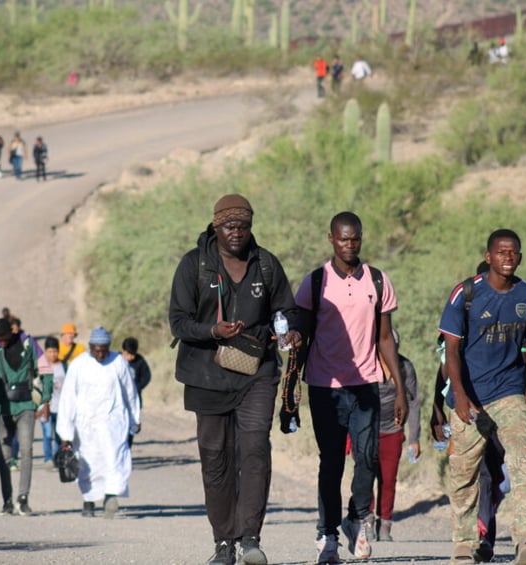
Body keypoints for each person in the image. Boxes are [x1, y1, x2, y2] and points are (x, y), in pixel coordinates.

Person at [169, 194, 300, 565]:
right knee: (216, 459)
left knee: (256, 447)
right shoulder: (194, 265)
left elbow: (286, 309)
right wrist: (213, 329)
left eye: (243, 225)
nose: (237, 233)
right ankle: (223, 542)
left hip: (256, 372)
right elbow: (178, 322)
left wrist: (290, 331)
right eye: (230, 226)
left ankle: (250, 539)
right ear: (216, 226)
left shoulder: (266, 265)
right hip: (205, 374)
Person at [293, 211, 407, 563]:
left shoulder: (377, 280)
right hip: (324, 385)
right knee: (331, 464)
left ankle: (356, 519)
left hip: (366, 384)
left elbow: (385, 338)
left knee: (368, 458)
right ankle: (327, 535)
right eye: (343, 238)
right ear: (331, 239)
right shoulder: (314, 283)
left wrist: (399, 388)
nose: (350, 244)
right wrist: (291, 393)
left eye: (355, 238)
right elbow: (300, 337)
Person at [439, 229, 526, 565]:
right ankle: (463, 543)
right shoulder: (467, 293)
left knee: (521, 459)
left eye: (513, 252)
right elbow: (451, 349)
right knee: (464, 473)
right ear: (488, 256)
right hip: (470, 396)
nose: (508, 257)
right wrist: (459, 396)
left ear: (519, 257)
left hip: (509, 393)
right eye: (501, 252)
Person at [0, 318, 52, 516]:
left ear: (12, 331)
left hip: (25, 405)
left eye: (5, 337)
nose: (2, 341)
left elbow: (45, 369)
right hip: (0, 408)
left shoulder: (28, 342)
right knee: (4, 456)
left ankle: (23, 498)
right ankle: (7, 500)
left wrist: (45, 398)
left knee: (26, 450)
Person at [56, 327, 140, 519]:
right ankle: (89, 500)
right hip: (86, 425)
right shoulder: (79, 365)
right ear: (90, 347)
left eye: (104, 349)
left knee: (114, 459)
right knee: (88, 462)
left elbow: (130, 393)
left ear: (109, 347)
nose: (100, 353)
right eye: (96, 349)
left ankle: (111, 498)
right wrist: (65, 434)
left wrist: (135, 419)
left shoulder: (118, 362)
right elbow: (68, 398)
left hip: (113, 423)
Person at [371, 328, 421, 543]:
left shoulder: (405, 367)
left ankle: (385, 523)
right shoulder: (368, 365)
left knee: (388, 478)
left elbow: (414, 402)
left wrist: (414, 438)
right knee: (365, 475)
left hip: (392, 431)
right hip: (367, 430)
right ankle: (366, 520)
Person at [39, 336, 67, 468]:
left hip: (61, 407)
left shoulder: (64, 366)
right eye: (50, 352)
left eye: (55, 351)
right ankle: (48, 458)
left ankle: (56, 457)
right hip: (45, 407)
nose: (52, 354)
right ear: (45, 352)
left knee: (59, 434)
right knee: (47, 434)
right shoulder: (41, 367)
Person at [121, 337, 151, 447]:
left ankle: (127, 448)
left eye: (134, 354)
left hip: (134, 401)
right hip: (119, 401)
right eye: (129, 354)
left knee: (132, 428)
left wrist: (136, 388)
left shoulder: (140, 361)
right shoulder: (116, 360)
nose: (132, 357)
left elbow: (146, 377)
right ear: (123, 351)